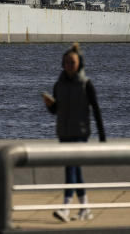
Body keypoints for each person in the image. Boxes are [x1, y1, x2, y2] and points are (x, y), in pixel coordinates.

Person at [43, 42, 105, 222]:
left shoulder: (86, 84)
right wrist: (50, 106)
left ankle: (65, 207)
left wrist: (102, 137)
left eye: (73, 62)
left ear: (80, 64)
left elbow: (96, 110)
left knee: (70, 169)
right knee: (75, 171)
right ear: (63, 64)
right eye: (67, 62)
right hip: (64, 133)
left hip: (80, 133)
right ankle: (85, 208)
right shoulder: (58, 85)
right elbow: (56, 111)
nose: (70, 65)